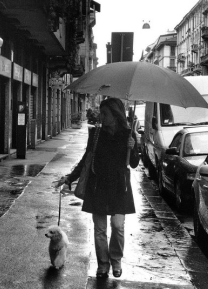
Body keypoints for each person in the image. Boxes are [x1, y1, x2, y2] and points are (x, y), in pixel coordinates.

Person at [56, 97, 139, 279]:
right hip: (98, 186)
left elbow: (133, 164)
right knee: (100, 229)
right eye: (100, 113)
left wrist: (133, 148)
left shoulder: (128, 134)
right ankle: (103, 264)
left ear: (115, 115)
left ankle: (116, 260)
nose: (101, 117)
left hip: (119, 187)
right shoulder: (96, 135)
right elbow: (86, 160)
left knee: (118, 226)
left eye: (104, 114)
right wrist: (70, 178)